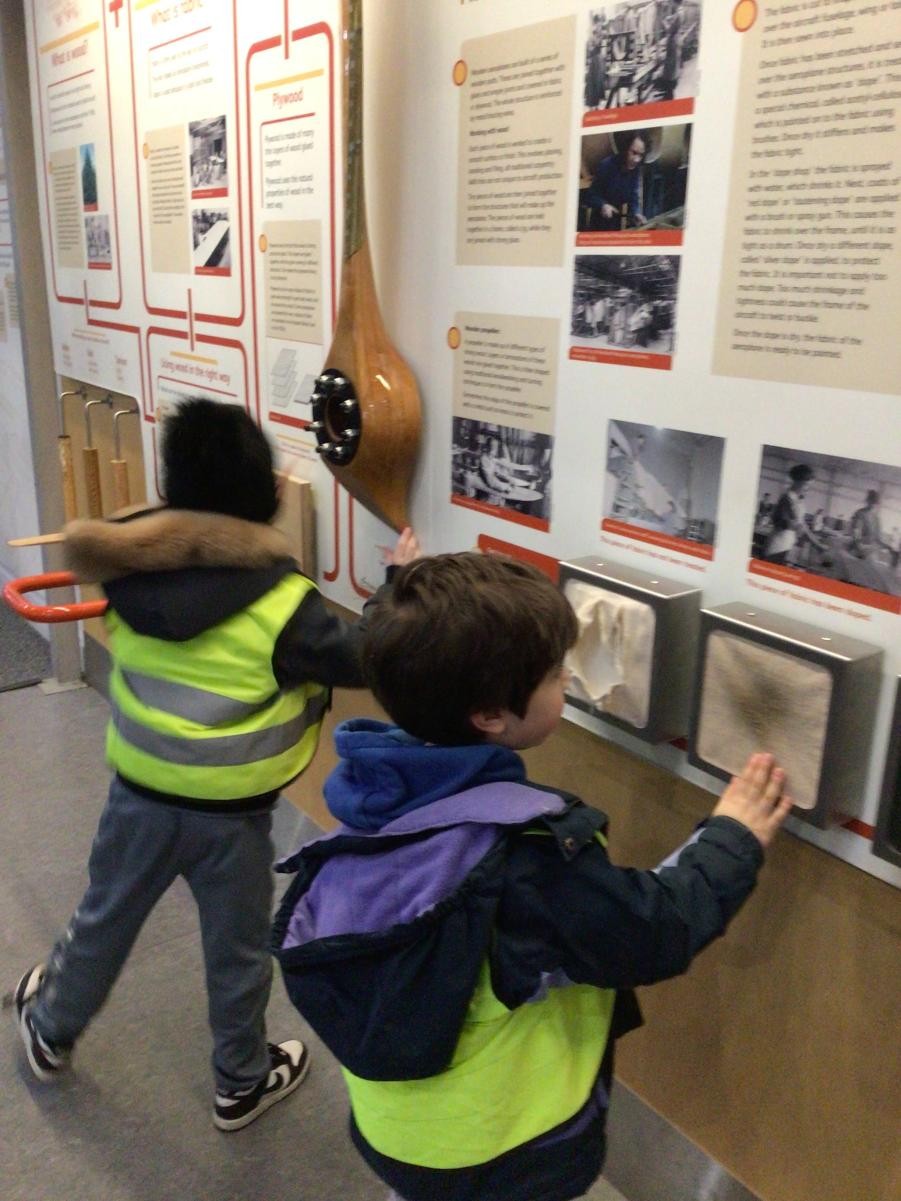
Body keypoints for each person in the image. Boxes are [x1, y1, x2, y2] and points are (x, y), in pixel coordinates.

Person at [272, 552, 793, 1201]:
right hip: (504, 1153)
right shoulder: (524, 857)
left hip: (399, 1134)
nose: (567, 678)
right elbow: (653, 930)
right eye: (553, 673)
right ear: (491, 714)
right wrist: (732, 836)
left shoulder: (375, 796)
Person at [12, 397, 419, 1132]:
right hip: (232, 818)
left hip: (138, 793)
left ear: (172, 488)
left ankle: (49, 1026)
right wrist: (395, 585)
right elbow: (368, 657)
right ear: (263, 495)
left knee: (103, 918)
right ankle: (240, 1079)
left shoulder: (125, 573)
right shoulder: (285, 605)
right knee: (237, 952)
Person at [764, 462, 826, 565]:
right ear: (797, 482)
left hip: (787, 545)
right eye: (806, 484)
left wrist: (817, 544)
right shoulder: (787, 498)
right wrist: (816, 544)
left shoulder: (798, 499)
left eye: (810, 485)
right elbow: (778, 521)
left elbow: (802, 525)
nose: (807, 488)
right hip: (778, 547)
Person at [585, 134, 648, 230]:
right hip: (598, 223)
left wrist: (636, 212)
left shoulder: (636, 169)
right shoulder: (607, 165)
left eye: (641, 155)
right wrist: (603, 205)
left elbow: (633, 196)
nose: (637, 160)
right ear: (625, 148)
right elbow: (590, 196)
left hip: (615, 222)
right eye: (634, 153)